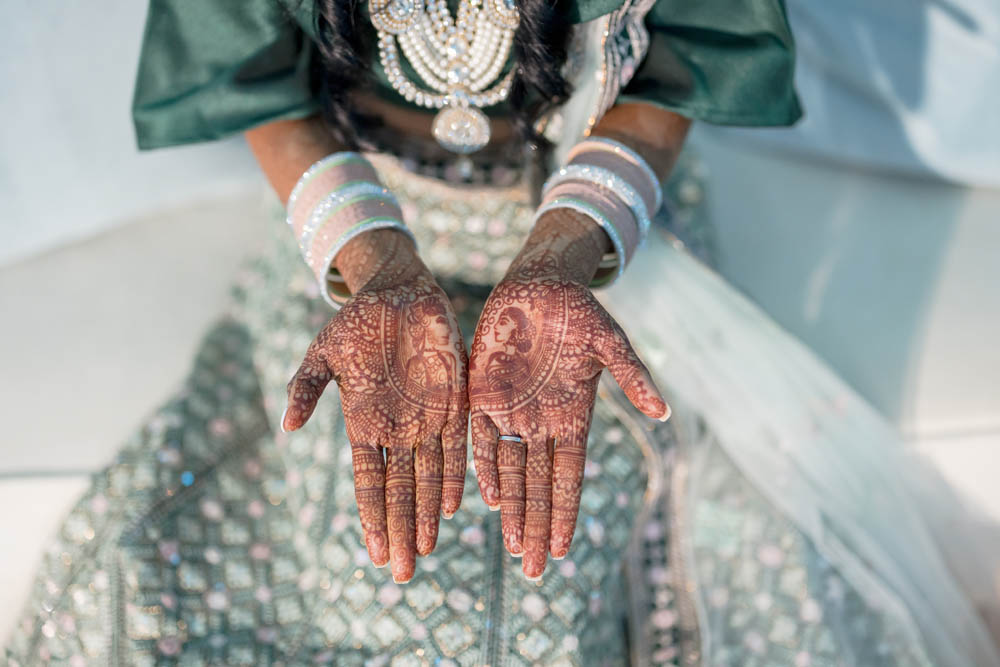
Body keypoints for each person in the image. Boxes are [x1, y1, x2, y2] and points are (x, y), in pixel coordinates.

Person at [4, 0, 996, 665]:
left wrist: (565, 252)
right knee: (279, 574)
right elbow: (254, 81)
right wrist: (376, 262)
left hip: (597, 217)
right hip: (352, 228)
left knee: (560, 578)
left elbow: (692, 48)